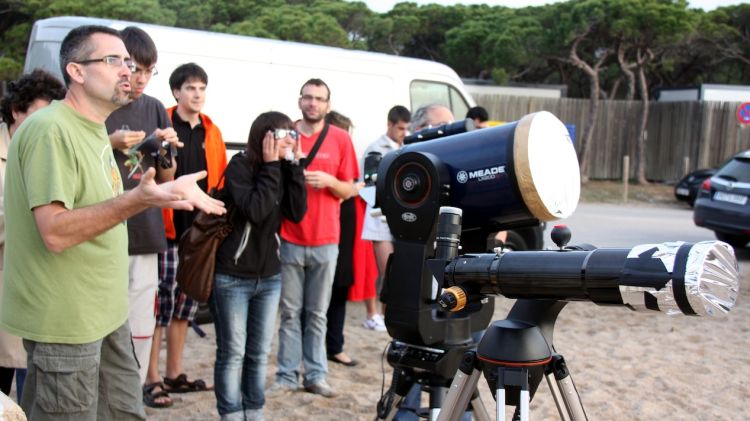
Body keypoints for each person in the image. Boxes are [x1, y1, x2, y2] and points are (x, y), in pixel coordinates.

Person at [0, 25, 225, 420]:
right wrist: (138, 200)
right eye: (112, 61)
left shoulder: (92, 131)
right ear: (77, 71)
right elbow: (55, 231)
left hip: (105, 315)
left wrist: (162, 193)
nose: (128, 70)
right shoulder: (52, 130)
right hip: (67, 324)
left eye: (129, 62)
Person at [103, 26, 181, 409]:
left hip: (147, 232)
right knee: (101, 326)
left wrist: (165, 150)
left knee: (139, 326)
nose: (138, 79)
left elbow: (166, 178)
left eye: (148, 71)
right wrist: (111, 142)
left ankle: (129, 401)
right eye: (133, 67)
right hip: (102, 230)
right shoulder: (98, 103)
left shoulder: (154, 107)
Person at [211, 111, 306, 421]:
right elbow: (256, 209)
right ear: (264, 137)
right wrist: (271, 168)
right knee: (233, 353)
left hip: (269, 276)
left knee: (258, 353)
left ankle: (254, 410)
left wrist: (294, 169)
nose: (290, 140)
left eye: (292, 134)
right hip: (232, 276)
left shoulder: (280, 169)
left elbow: (296, 212)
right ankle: (231, 414)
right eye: (282, 135)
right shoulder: (241, 165)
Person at [272, 79, 358, 398]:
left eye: (319, 99)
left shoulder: (340, 140)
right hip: (290, 237)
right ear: (299, 101)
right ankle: (286, 375)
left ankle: (317, 374)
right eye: (307, 97)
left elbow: (350, 190)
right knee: (291, 312)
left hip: (326, 240)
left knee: (318, 313)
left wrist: (330, 181)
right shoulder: (284, 134)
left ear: (327, 105)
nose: (312, 103)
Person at [147, 62, 227, 396]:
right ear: (176, 91)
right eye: (190, 87)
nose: (197, 94)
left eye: (202, 88)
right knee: (158, 309)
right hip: (165, 229)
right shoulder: (162, 123)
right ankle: (151, 377)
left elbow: (218, 179)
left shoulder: (212, 130)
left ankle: (174, 373)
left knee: (184, 305)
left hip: (198, 233)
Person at [0, 69, 65, 402]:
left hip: (39, 297)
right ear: (16, 110)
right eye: (38, 116)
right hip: (6, 291)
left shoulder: (50, 150)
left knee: (33, 396)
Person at [322, 111, 376, 367]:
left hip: (345, 229)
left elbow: (351, 186)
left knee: (339, 288)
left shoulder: (346, 160)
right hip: (324, 229)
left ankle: (334, 346)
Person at [359, 105, 411, 331]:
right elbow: (370, 187)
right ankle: (382, 315)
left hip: (401, 218)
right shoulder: (375, 149)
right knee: (388, 273)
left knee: (399, 272)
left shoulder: (408, 145)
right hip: (380, 219)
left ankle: (390, 315)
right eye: (400, 128)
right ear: (389, 124)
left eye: (406, 129)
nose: (403, 133)